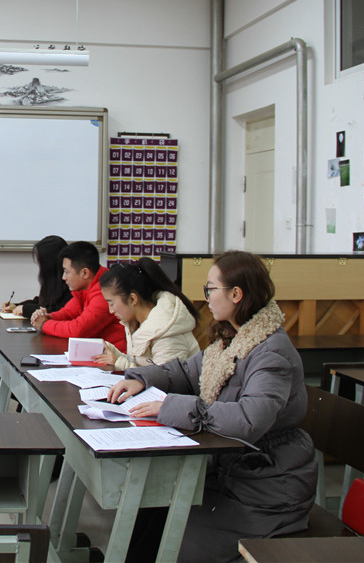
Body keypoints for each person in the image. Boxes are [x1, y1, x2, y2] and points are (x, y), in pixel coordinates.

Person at [107, 250, 316, 562]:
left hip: (265, 488)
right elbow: (186, 372)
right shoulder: (231, 339)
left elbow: (249, 420)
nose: (206, 297)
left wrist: (170, 407)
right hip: (233, 472)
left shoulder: (271, 353)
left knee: (173, 534)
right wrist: (141, 379)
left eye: (211, 289)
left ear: (236, 294)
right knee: (149, 511)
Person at [93, 258, 200, 370]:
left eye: (111, 303)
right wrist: (114, 354)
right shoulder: (137, 323)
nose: (111, 310)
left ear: (132, 299)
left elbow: (166, 377)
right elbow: (142, 366)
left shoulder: (166, 331)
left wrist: (118, 362)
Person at [30, 241, 127, 349]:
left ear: (85, 273)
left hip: (114, 355)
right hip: (98, 351)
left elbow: (78, 330)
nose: (63, 277)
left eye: (67, 272)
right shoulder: (85, 288)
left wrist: (44, 324)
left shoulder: (104, 292)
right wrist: (48, 317)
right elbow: (68, 312)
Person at [1, 235, 70, 318]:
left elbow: (56, 311)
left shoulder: (70, 284)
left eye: (41, 262)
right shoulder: (53, 281)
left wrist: (25, 309)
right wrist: (16, 306)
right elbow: (42, 303)